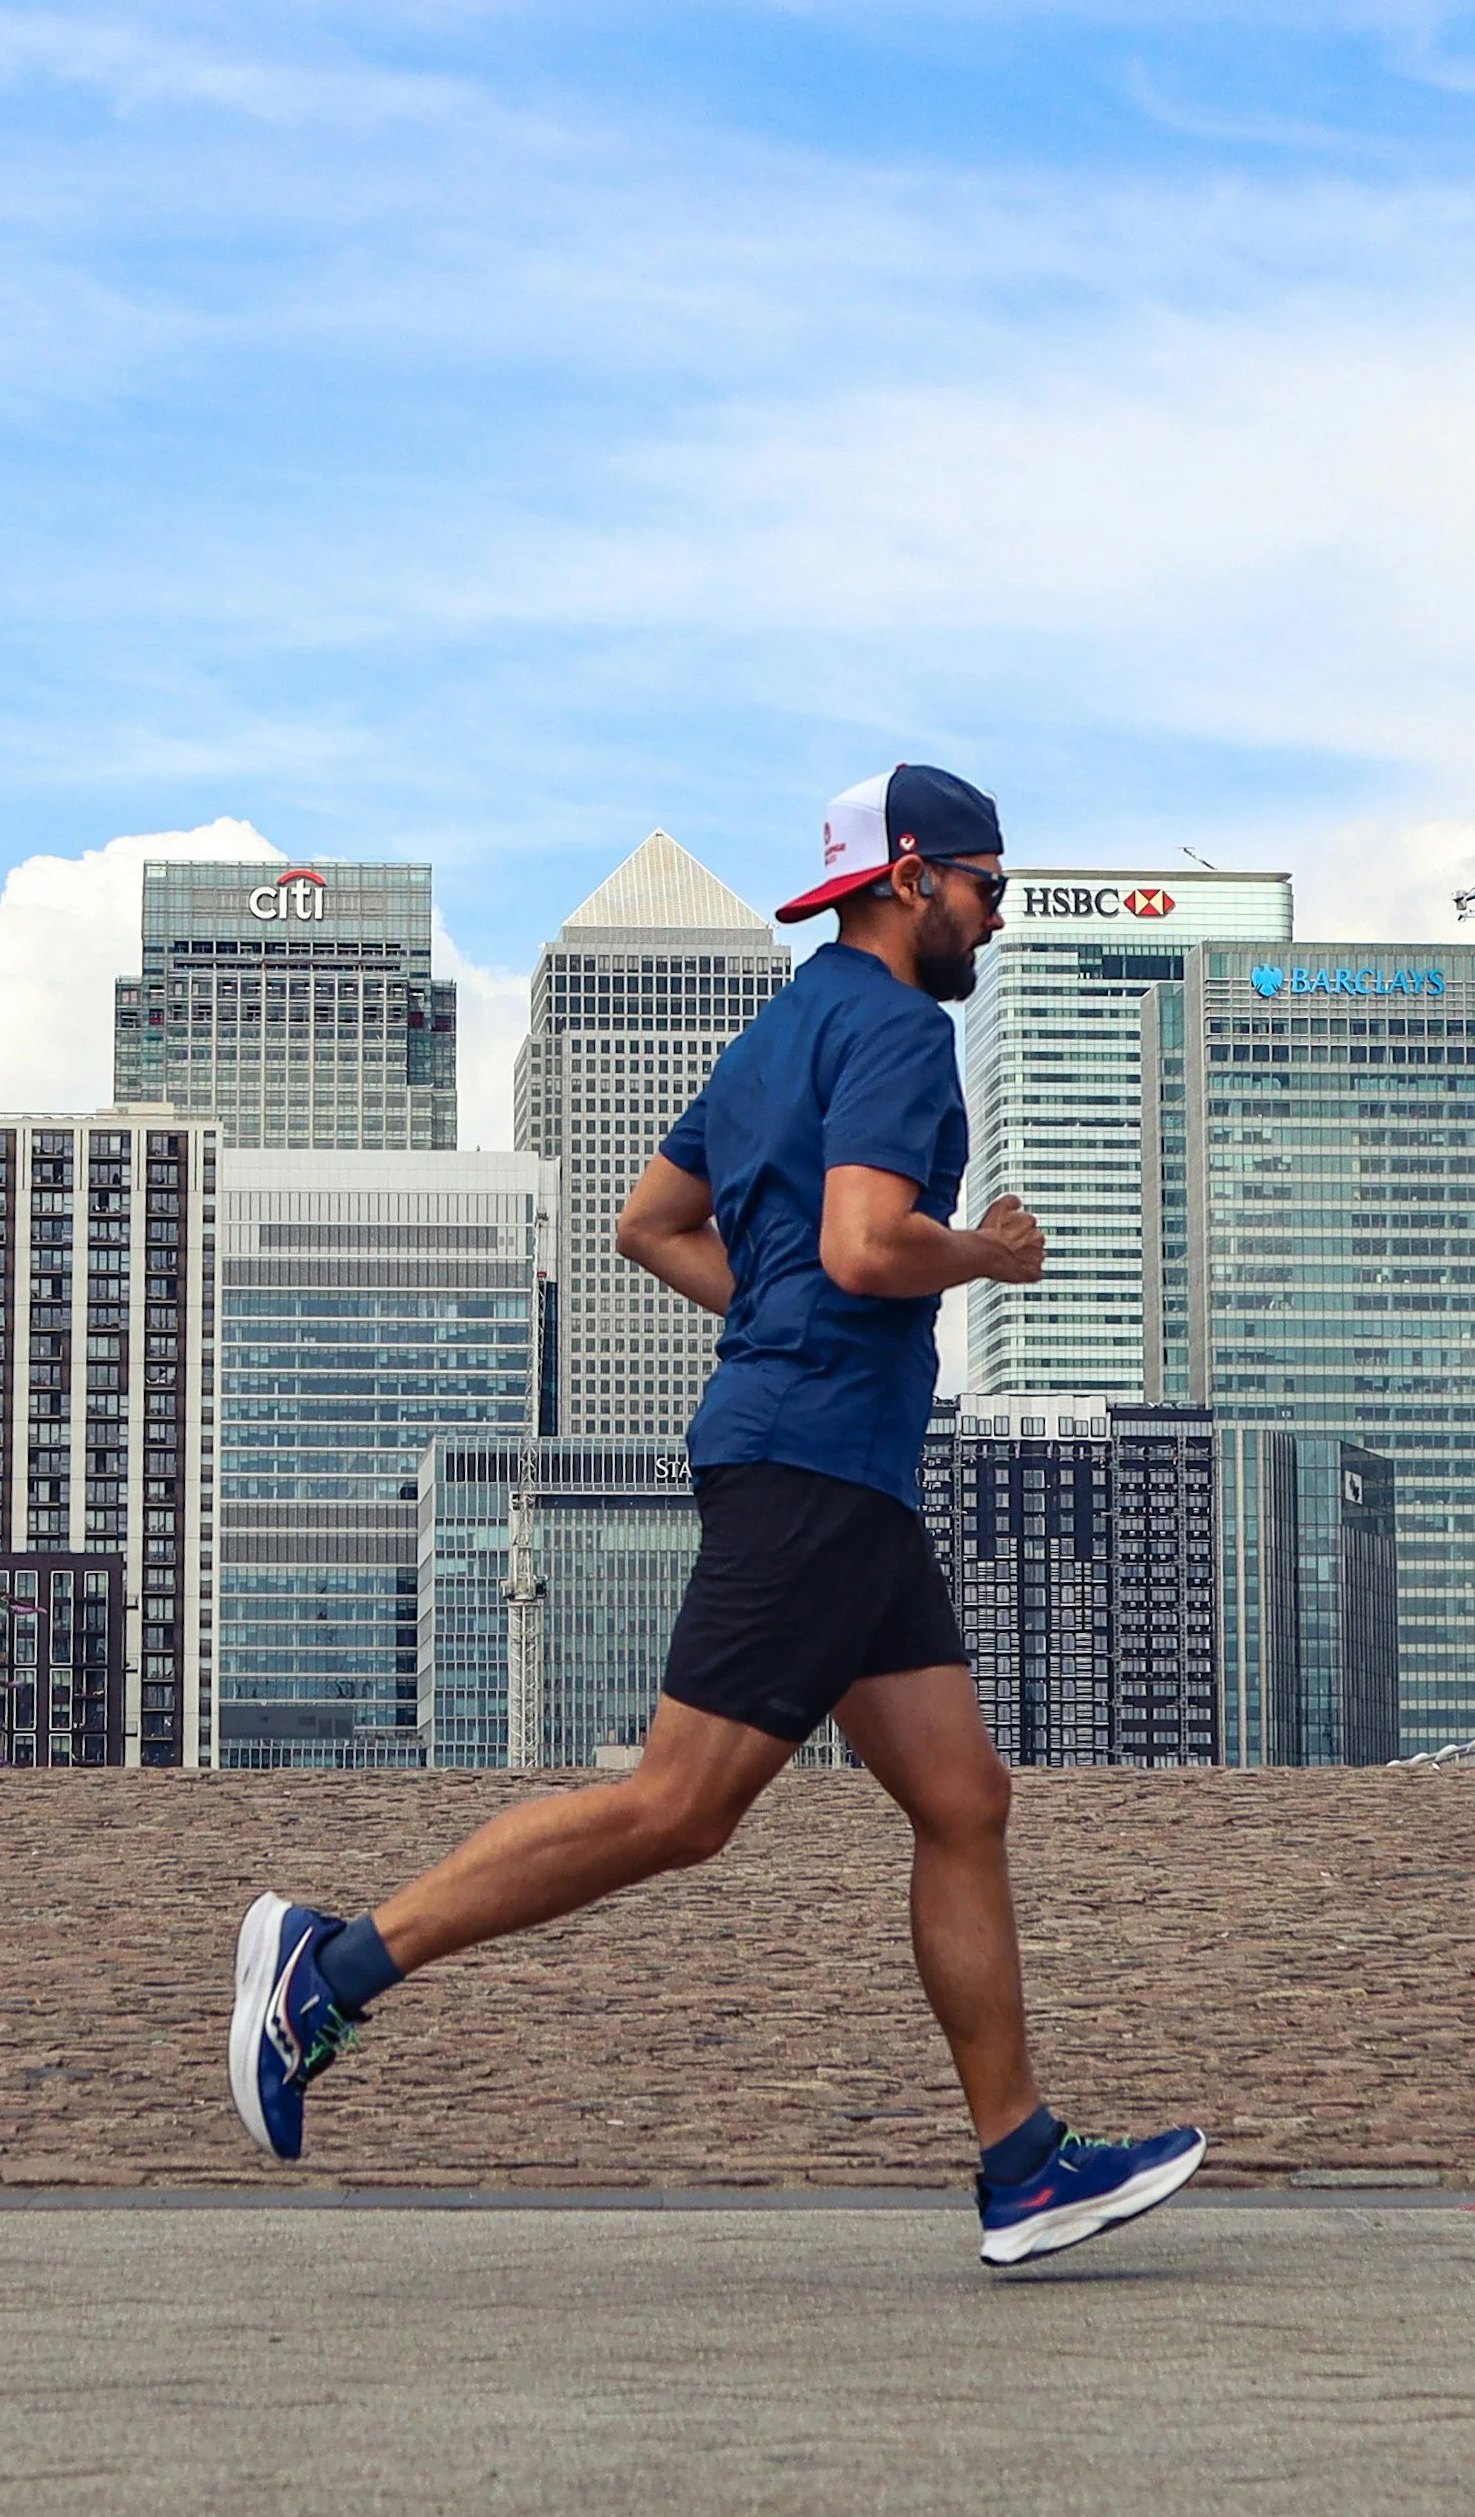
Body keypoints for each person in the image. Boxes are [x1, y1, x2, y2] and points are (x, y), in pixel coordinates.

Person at [227, 765, 1206, 2266]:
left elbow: (647, 1222)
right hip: (815, 1463)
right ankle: (329, 1971)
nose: (993, 917)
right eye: (985, 884)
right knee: (676, 1809)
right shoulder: (893, 1027)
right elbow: (871, 1245)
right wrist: (988, 1255)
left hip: (833, 1463)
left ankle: (1021, 2162)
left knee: (961, 1800)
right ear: (906, 874)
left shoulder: (780, 1030)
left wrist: (783, 1323)